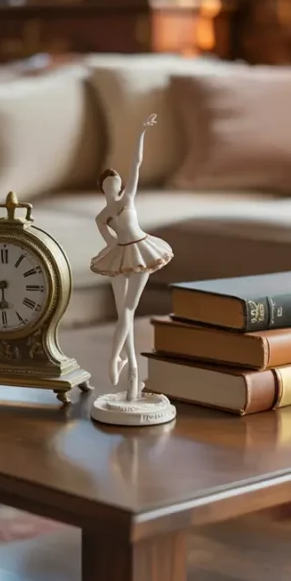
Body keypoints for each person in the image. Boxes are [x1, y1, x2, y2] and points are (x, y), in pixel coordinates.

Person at [90, 114, 174, 401]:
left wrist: (140, 132)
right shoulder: (103, 215)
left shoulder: (127, 200)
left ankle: (120, 360)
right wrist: (114, 248)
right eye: (110, 183)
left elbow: (136, 165)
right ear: (103, 189)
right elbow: (107, 236)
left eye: (117, 182)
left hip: (142, 248)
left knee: (128, 309)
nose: (115, 185)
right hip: (120, 255)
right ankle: (123, 364)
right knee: (121, 312)